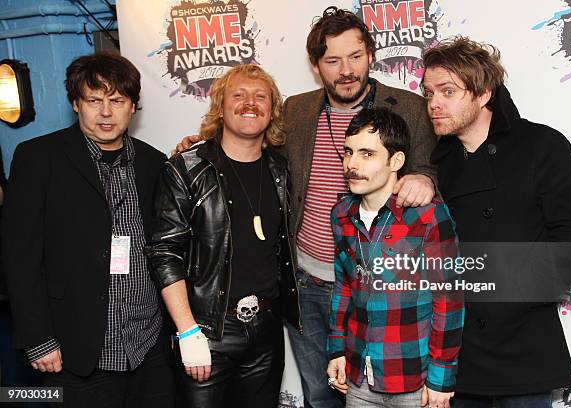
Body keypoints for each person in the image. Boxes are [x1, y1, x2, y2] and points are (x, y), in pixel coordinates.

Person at [174, 8, 438, 407]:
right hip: (308, 285)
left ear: (370, 55)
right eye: (332, 60)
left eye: (354, 57)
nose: (345, 70)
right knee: (320, 394)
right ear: (316, 66)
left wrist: (426, 179)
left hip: (381, 286)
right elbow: (249, 140)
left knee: (385, 396)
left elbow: (431, 167)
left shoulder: (410, 108)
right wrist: (203, 143)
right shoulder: (296, 111)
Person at [422, 37, 571, 407]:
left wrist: (518, 292)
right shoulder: (437, 166)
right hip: (458, 356)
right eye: (429, 93)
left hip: (524, 349)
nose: (434, 103)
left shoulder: (541, 145)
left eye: (447, 91)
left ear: (484, 93)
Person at [1, 52, 174, 407]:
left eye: (117, 101)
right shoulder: (38, 158)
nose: (106, 113)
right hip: (75, 348)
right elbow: (19, 256)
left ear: (133, 106)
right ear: (76, 104)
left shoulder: (154, 162)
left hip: (148, 345)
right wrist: (38, 338)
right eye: (94, 100)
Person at [146, 64, 300, 408]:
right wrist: (187, 331)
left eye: (261, 96)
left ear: (272, 109)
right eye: (239, 95)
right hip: (208, 331)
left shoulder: (281, 169)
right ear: (220, 106)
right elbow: (164, 252)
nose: (250, 103)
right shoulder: (186, 168)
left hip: (266, 331)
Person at [326, 108, 464, 408]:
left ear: (396, 161)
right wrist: (336, 349)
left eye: (367, 154)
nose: (352, 164)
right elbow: (344, 287)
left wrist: (440, 377)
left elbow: (449, 300)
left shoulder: (428, 216)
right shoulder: (342, 215)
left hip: (415, 378)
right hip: (359, 375)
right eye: (348, 152)